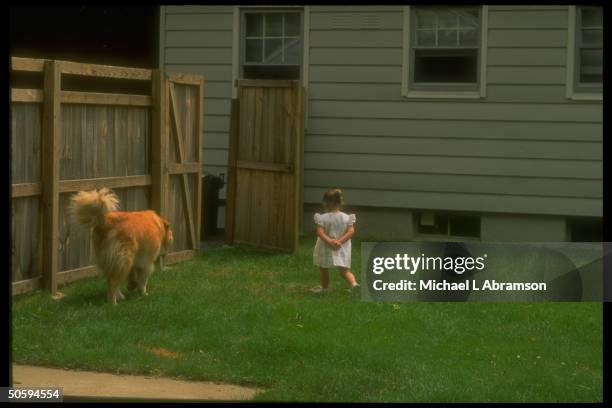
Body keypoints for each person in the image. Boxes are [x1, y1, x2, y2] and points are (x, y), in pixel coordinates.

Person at [311, 188, 360, 296]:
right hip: (341, 247)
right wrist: (340, 241)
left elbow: (320, 232)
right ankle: (354, 284)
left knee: (323, 268)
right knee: (345, 270)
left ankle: (325, 288)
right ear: (340, 202)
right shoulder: (347, 218)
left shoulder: (322, 218)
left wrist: (329, 241)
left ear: (326, 203)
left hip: (326, 246)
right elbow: (351, 231)